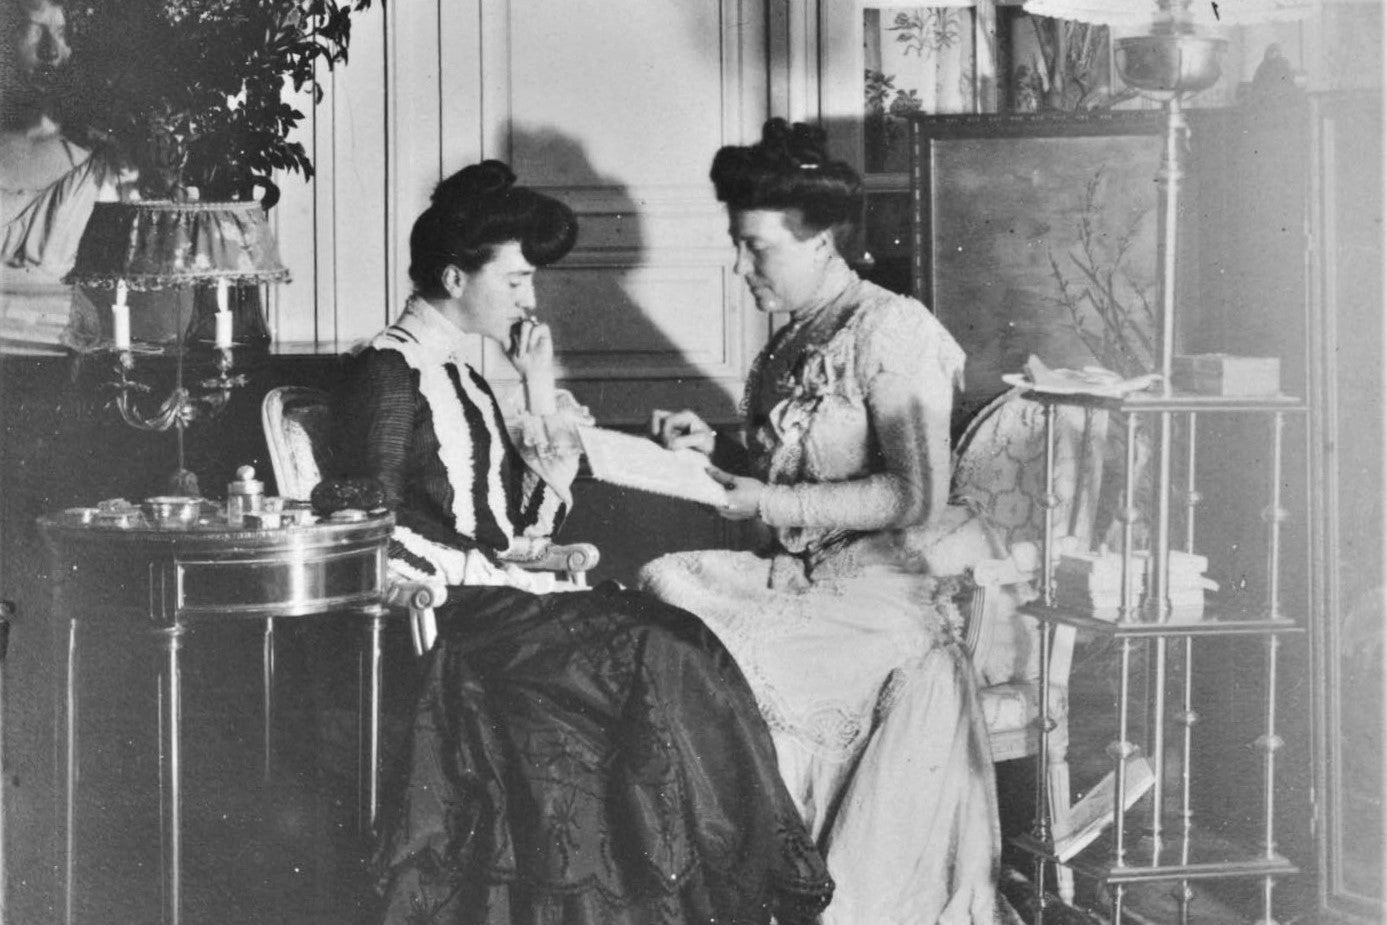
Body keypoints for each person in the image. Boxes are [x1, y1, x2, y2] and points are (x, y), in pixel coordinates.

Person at [332, 160, 833, 925]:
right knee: (656, 650)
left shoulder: (463, 377)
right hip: (463, 618)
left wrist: (535, 385)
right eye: (515, 281)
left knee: (681, 639)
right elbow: (367, 519)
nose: (529, 299)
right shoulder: (390, 371)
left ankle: (725, 893)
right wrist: (462, 572)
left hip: (506, 596)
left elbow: (520, 527)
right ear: (452, 276)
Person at [640, 119, 1010, 923]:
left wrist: (764, 502)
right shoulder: (793, 340)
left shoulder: (892, 331)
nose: (741, 267)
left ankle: (773, 881)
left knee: (719, 654)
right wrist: (715, 448)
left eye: (757, 248)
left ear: (822, 242)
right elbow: (797, 461)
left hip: (888, 593)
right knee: (661, 592)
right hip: (805, 575)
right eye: (738, 246)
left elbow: (911, 494)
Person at [0, 0, 117, 353]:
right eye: (35, 29)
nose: (50, 50)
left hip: (57, 359)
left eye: (62, 33)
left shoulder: (98, 156)